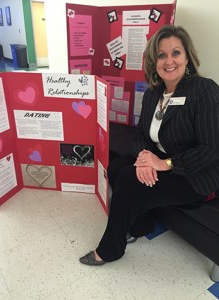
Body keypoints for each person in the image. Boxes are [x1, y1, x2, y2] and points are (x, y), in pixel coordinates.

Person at [79, 24, 219, 266]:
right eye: (162, 55)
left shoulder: (204, 90)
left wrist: (164, 164)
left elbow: (210, 149)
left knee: (128, 179)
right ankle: (139, 226)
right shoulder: (153, 94)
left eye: (176, 52)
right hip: (161, 160)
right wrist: (145, 158)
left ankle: (111, 249)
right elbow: (141, 135)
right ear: (154, 61)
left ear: (188, 57)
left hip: (195, 174)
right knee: (116, 167)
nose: (169, 61)